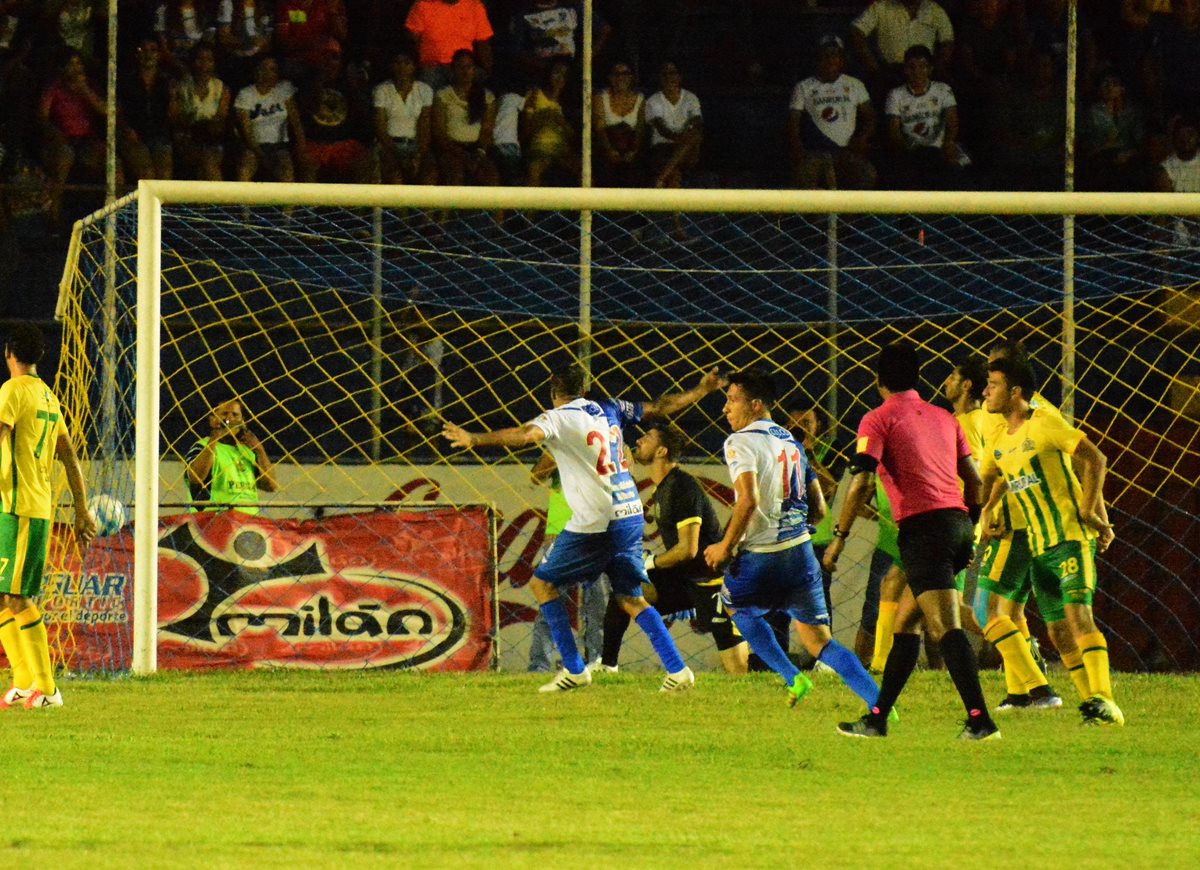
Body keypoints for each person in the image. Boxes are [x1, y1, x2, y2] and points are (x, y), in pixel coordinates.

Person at [442, 363, 724, 693]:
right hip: (629, 512)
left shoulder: (557, 418)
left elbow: (524, 435)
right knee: (630, 597)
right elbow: (660, 406)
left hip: (595, 521)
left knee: (542, 585)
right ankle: (678, 670)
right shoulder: (610, 407)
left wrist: (475, 438)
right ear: (585, 391)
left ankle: (575, 669)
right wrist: (701, 390)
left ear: (552, 392)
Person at [823, 342, 998, 740]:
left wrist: (839, 539)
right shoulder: (944, 418)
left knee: (946, 627)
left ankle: (981, 720)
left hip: (924, 531)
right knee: (905, 624)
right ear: (917, 377)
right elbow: (975, 483)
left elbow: (861, 482)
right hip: (956, 525)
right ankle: (877, 718)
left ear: (878, 380)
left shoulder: (877, 419)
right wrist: (968, 528)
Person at [703, 371, 881, 714]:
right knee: (819, 641)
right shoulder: (791, 442)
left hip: (764, 556)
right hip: (801, 555)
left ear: (756, 405)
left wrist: (725, 547)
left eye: (732, 400)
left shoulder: (739, 441)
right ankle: (880, 704)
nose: (725, 408)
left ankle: (792, 676)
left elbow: (748, 500)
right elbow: (820, 510)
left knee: (733, 604)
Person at [980, 356, 1123, 726]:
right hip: (1038, 547)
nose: (986, 391)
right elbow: (999, 476)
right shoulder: (999, 439)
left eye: (993, 385)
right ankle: (1093, 706)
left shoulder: (1044, 422)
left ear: (1015, 392)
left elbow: (1095, 459)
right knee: (1058, 632)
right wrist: (988, 510)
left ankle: (1106, 700)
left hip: (1070, 538)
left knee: (1078, 617)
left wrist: (1091, 511)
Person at [600, 424, 749, 674]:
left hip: (711, 581)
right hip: (683, 578)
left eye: (647, 437)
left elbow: (687, 550)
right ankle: (607, 666)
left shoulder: (681, 487)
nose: (639, 440)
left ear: (662, 451)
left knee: (738, 668)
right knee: (625, 593)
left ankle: (786, 668)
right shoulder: (662, 488)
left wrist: (650, 563)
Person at [0, 322, 96, 709]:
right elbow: (69, 455)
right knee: (3, 596)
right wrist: (81, 508)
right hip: (16, 507)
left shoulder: (12, 390)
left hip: (22, 508)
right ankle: (24, 682)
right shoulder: (49, 398)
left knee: (17, 596)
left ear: (9, 353)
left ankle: (49, 689)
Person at [526, 452, 608, 672]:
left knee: (598, 605)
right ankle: (540, 666)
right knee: (550, 600)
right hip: (561, 531)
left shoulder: (613, 442)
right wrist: (558, 451)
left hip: (599, 531)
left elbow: (626, 480)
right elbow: (535, 477)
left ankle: (599, 662)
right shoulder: (560, 442)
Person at [788, 34, 876, 190]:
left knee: (867, 174)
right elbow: (793, 123)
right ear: (818, 58)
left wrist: (862, 138)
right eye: (825, 55)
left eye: (835, 55)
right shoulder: (803, 87)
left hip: (847, 151)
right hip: (815, 152)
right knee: (805, 178)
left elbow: (870, 117)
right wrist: (798, 150)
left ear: (842, 59)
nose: (830, 60)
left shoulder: (855, 84)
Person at [884, 44, 967, 190]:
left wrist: (948, 142)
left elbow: (952, 121)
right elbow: (894, 131)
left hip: (941, 147)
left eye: (922, 66)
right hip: (913, 151)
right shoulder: (895, 95)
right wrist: (907, 149)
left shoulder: (943, 89)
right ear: (905, 70)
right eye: (912, 67)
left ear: (930, 69)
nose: (917, 72)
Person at [184, 397, 278, 513]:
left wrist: (259, 450)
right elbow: (195, 478)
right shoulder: (202, 447)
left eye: (235, 415)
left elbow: (271, 486)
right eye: (224, 414)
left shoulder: (248, 451)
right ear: (212, 419)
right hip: (213, 518)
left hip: (248, 520)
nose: (229, 419)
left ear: (243, 421)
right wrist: (214, 439)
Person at [432, 48, 499, 187]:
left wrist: (479, 154)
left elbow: (487, 130)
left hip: (477, 149)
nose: (465, 71)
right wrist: (461, 154)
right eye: (460, 67)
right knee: (456, 174)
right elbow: (439, 132)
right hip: (451, 149)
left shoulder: (487, 97)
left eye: (469, 67)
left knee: (491, 176)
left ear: (474, 70)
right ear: (453, 70)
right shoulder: (443, 95)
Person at [234, 56, 304, 183]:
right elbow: (246, 130)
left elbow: (296, 122)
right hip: (254, 146)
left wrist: (302, 147)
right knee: (245, 167)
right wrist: (260, 154)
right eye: (264, 69)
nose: (268, 73)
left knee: (286, 167)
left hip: (280, 146)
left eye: (272, 70)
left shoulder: (284, 89)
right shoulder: (245, 94)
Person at [373, 49, 437, 186]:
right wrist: (399, 155)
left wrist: (418, 154)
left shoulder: (424, 90)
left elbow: (425, 125)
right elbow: (380, 128)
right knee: (395, 177)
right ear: (391, 66)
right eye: (397, 62)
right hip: (389, 145)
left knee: (428, 177)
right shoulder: (382, 90)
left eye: (407, 63)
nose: (401, 67)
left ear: (414, 66)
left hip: (415, 145)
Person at [170, 43, 230, 181]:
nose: (204, 64)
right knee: (207, 161)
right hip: (187, 138)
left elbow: (220, 119)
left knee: (208, 162)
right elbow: (176, 118)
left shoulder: (221, 88)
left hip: (213, 139)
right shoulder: (181, 87)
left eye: (209, 60)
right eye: (200, 59)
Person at [404, 0, 493, 90]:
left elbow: (483, 43)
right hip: (432, 66)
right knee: (427, 81)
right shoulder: (422, 5)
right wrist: (419, 65)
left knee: (482, 79)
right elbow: (412, 42)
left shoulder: (474, 6)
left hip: (463, 66)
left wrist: (488, 69)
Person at [520, 58, 578, 186]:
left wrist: (560, 121)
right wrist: (543, 117)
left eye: (564, 75)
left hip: (562, 151)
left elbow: (574, 136)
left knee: (584, 171)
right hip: (539, 150)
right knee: (534, 170)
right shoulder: (535, 95)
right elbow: (525, 129)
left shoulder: (569, 103)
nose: (560, 78)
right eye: (557, 72)